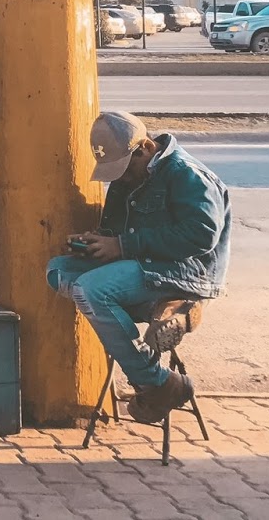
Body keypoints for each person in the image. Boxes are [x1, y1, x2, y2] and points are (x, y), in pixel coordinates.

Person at [47, 111, 231, 424]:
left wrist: (122, 246)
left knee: (92, 290)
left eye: (124, 169)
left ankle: (156, 382)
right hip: (143, 266)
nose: (121, 178)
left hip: (184, 272)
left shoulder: (185, 174)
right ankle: (163, 313)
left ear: (145, 148)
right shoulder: (129, 177)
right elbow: (120, 230)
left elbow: (201, 235)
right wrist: (97, 242)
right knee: (60, 271)